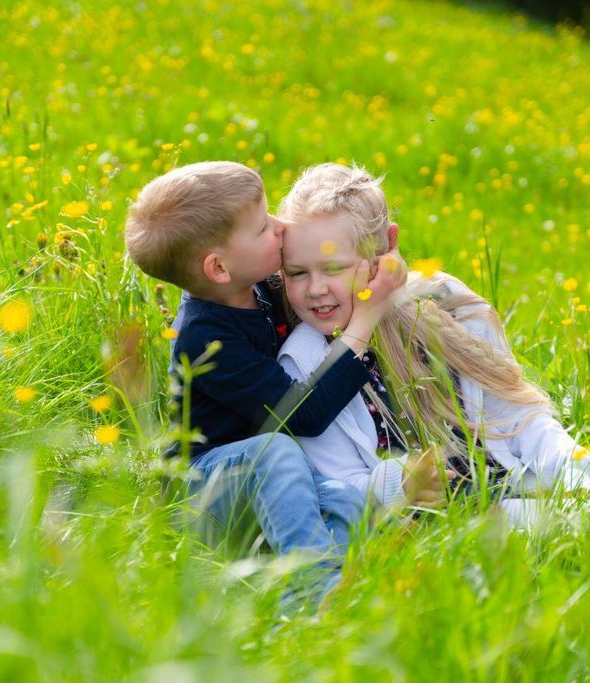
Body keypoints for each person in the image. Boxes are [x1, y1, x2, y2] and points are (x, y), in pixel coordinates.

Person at [124, 161, 407, 601]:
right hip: (203, 491)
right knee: (273, 452)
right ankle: (315, 589)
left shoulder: (249, 289)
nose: (280, 227)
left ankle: (305, 602)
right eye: (262, 228)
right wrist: (365, 320)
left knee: (347, 503)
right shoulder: (207, 338)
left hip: (270, 482)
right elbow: (304, 414)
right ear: (218, 268)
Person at [276, 163, 590, 528]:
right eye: (297, 273)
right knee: (524, 524)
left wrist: (581, 475)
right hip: (420, 523)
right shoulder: (304, 363)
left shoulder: (444, 303)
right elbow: (338, 489)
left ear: (386, 246)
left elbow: (519, 421)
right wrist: (400, 483)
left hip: (504, 486)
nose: (315, 289)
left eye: (334, 268)